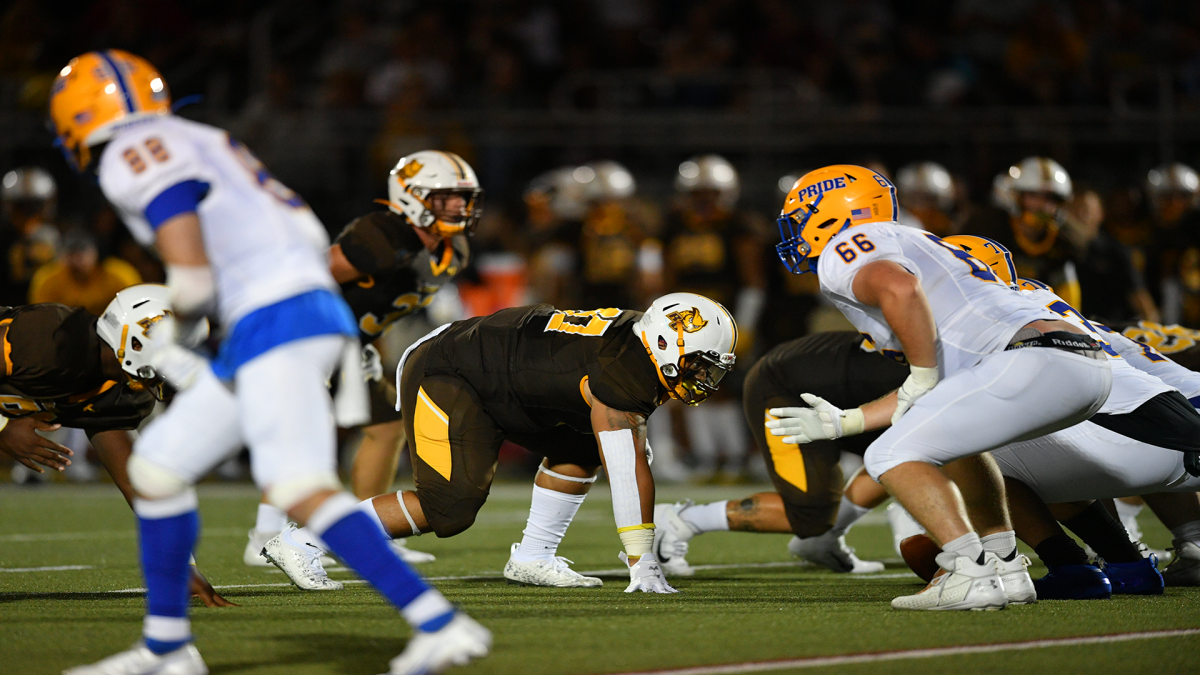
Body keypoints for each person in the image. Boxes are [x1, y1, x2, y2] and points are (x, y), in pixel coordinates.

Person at [51, 50, 489, 675]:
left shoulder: (129, 152)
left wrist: (184, 335)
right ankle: (168, 649)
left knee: (299, 487)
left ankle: (441, 624)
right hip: (297, 308)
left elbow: (192, 271)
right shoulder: (199, 134)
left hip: (274, 317)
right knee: (157, 469)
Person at [770, 165, 1114, 611]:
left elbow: (899, 288)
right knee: (959, 447)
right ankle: (1004, 566)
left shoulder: (845, 246)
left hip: (1028, 362)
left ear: (831, 214)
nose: (795, 231)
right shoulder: (914, 240)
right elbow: (933, 384)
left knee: (888, 454)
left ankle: (967, 570)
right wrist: (847, 421)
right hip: (1073, 359)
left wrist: (922, 372)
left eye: (800, 218)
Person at [267, 293, 737, 594]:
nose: (704, 376)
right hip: (452, 368)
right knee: (449, 506)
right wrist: (642, 561)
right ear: (666, 343)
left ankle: (533, 556)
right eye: (700, 363)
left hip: (508, 378)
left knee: (584, 447)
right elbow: (628, 469)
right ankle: (304, 538)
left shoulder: (641, 349)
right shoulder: (628, 370)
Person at [244, 150, 478, 570]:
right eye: (445, 198)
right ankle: (264, 537)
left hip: (352, 343)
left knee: (387, 426)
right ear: (412, 197)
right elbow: (306, 280)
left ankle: (366, 530)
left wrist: (362, 342)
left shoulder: (453, 249)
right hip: (310, 335)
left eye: (462, 198)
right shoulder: (380, 236)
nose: (459, 207)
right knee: (303, 432)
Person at [0, 285, 231, 607]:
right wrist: (4, 427)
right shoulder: (49, 337)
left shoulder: (126, 394)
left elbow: (136, 482)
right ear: (134, 338)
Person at [660, 155, 765, 481]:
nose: (704, 201)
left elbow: (752, 280)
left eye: (711, 193)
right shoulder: (673, 227)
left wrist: (744, 324)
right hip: (684, 319)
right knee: (690, 387)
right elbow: (666, 278)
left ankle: (732, 457)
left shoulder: (738, 225)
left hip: (723, 316)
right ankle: (707, 458)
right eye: (697, 194)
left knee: (726, 388)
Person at [28, 228, 141, 314]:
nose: (77, 259)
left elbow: (137, 307)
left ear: (96, 253)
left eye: (82, 252)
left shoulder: (118, 273)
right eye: (71, 253)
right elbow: (40, 317)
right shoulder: (48, 278)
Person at [0, 167, 60, 306]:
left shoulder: (58, 237)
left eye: (34, 206)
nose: (27, 214)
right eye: (21, 207)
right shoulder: (4, 240)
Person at [894, 161, 959, 236]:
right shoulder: (899, 226)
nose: (921, 205)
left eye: (928, 199)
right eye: (914, 199)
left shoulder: (947, 227)